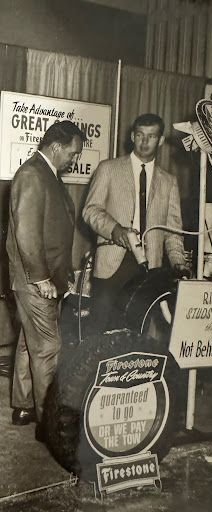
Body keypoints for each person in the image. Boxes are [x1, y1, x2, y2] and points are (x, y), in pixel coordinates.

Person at [6, 120, 84, 439]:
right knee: (49, 347)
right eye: (73, 153)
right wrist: (40, 278)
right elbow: (26, 232)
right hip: (35, 281)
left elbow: (55, 232)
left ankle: (24, 406)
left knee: (30, 343)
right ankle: (49, 423)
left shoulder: (47, 175)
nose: (74, 159)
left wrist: (66, 274)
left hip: (47, 278)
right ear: (56, 147)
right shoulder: (32, 175)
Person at [83, 113, 188, 332]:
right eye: (140, 135)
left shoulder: (169, 181)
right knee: (99, 333)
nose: (144, 141)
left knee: (136, 334)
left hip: (149, 269)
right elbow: (90, 210)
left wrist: (179, 264)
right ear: (132, 136)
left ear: (160, 140)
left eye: (151, 136)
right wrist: (114, 230)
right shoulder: (108, 169)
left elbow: (173, 231)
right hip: (113, 264)